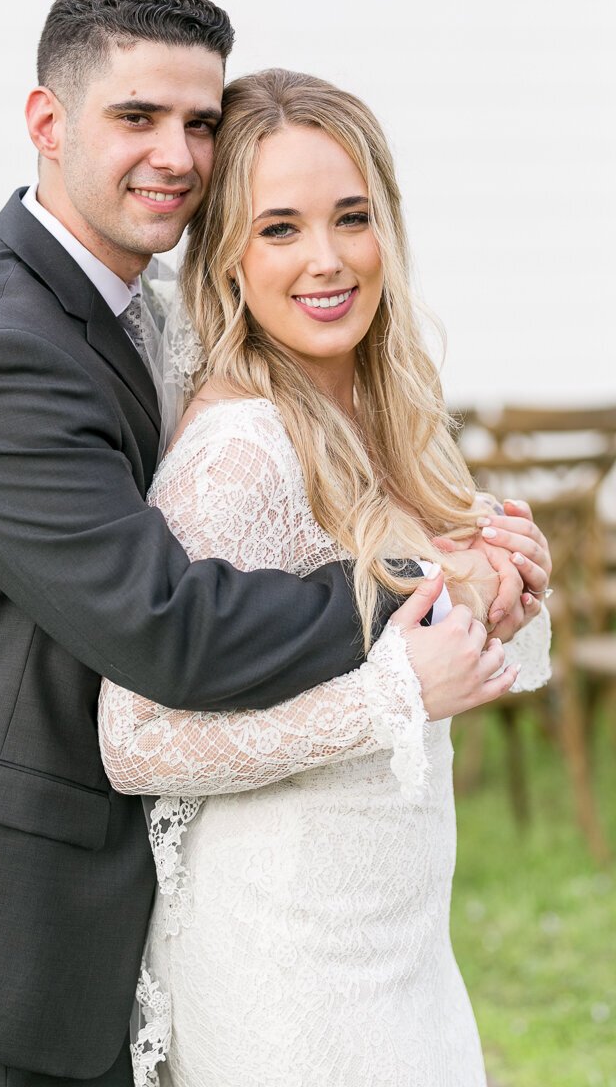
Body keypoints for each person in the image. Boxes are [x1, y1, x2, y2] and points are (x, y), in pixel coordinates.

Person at [0, 0, 549, 1087]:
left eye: (197, 121)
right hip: (12, 928)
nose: (176, 156)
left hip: (166, 900)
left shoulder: (142, 311)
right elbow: (166, 626)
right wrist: (431, 581)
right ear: (47, 120)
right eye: (135, 117)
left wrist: (476, 553)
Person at [98, 69, 553, 1087]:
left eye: (349, 217)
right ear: (226, 262)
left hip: (400, 943)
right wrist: (392, 694)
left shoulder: (390, 418)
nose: (326, 260)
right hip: (283, 960)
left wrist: (500, 593)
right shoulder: (236, 455)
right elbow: (132, 741)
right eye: (279, 229)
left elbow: (425, 660)